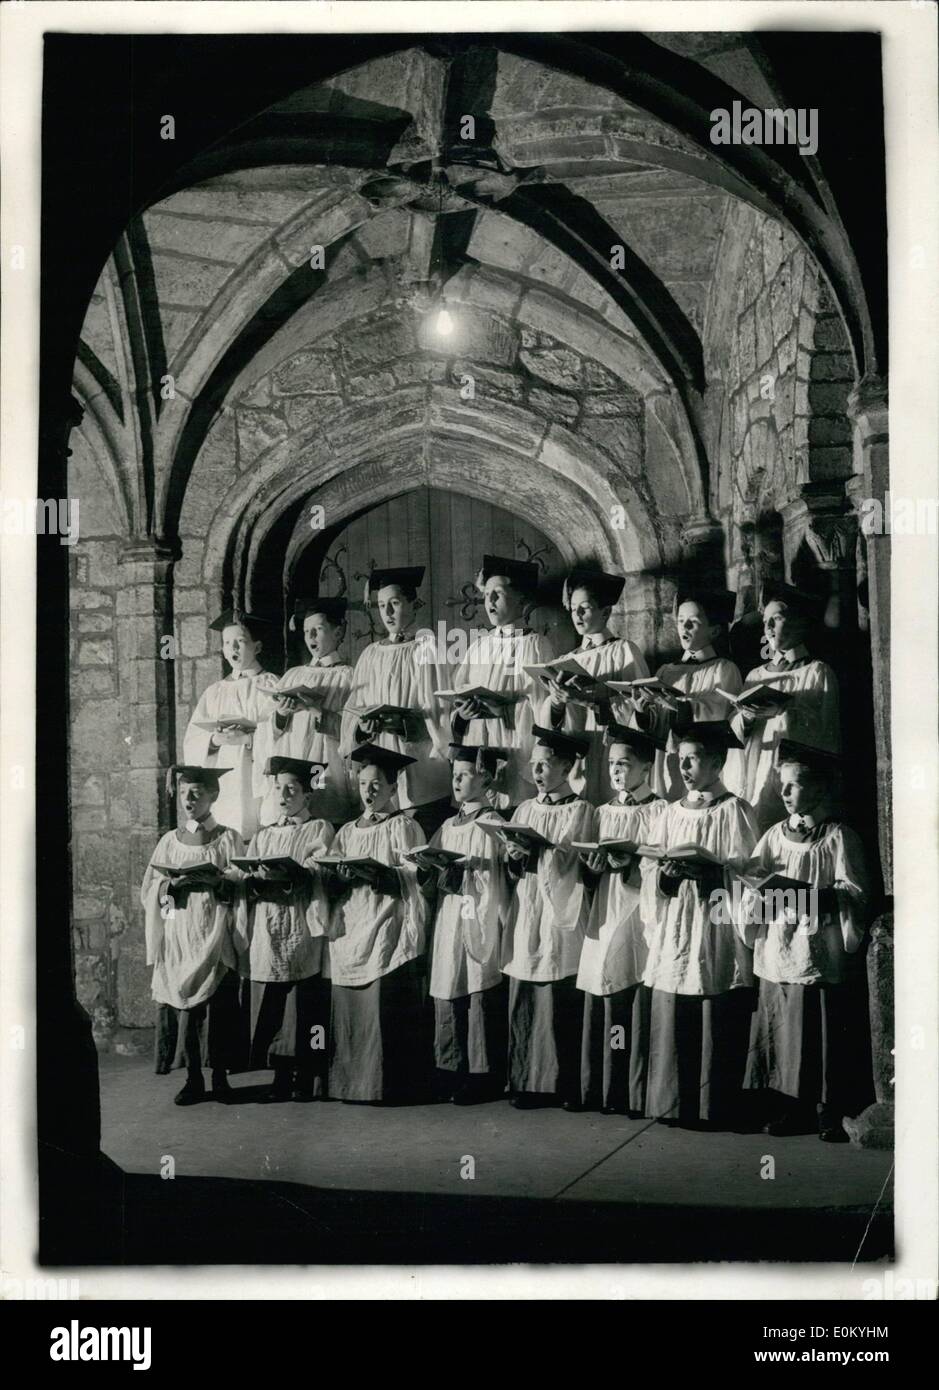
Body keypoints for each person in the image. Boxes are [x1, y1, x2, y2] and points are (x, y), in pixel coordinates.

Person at [737, 740, 869, 1142]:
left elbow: (857, 891)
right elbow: (752, 883)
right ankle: (790, 1106)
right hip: (781, 942)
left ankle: (827, 1108)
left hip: (817, 942)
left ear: (819, 789)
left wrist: (822, 895)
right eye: (783, 786)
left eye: (794, 786)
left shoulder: (838, 836)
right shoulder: (775, 835)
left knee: (820, 1030)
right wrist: (757, 893)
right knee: (784, 1028)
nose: (785, 794)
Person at [640, 722, 759, 1129]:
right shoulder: (671, 812)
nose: (683, 767)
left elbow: (748, 872)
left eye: (692, 759)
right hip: (678, 918)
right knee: (676, 997)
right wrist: (667, 874)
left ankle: (713, 1106)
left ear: (717, 761)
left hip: (715, 919)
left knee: (713, 993)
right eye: (679, 760)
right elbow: (650, 866)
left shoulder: (734, 809)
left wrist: (714, 875)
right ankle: (674, 1104)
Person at [309, 744, 432, 1104]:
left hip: (385, 919)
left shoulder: (404, 826)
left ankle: (383, 1086)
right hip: (352, 921)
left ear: (394, 788)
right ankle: (348, 1085)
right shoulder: (346, 831)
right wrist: (341, 876)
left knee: (383, 1011)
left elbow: (415, 875)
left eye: (377, 784)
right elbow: (327, 878)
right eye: (364, 784)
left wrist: (381, 876)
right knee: (349, 1015)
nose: (370, 791)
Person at [500, 726, 596, 1109]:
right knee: (524, 989)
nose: (537, 771)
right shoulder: (525, 809)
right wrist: (515, 853)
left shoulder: (582, 810)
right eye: (534, 764)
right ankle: (526, 1080)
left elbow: (582, 865)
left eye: (546, 764)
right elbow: (512, 867)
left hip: (562, 909)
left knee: (561, 996)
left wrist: (547, 854)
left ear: (568, 766)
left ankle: (564, 1083)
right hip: (529, 906)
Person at [233, 756, 335, 1103]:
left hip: (300, 921)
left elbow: (320, 872)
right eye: (278, 787)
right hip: (268, 922)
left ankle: (306, 1074)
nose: (284, 793)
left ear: (308, 794)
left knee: (304, 1003)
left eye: (292, 787)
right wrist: (254, 880)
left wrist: (296, 875)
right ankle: (279, 1073)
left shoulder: (318, 829)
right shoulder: (265, 834)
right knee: (273, 1003)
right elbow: (247, 878)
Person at [140, 766, 243, 1106]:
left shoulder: (228, 838)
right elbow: (150, 892)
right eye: (184, 793)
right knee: (186, 1010)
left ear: (213, 795)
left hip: (214, 930)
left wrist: (220, 883)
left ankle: (220, 1076)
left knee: (219, 1007)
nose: (189, 799)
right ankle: (192, 1076)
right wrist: (171, 885)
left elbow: (242, 884)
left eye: (197, 792)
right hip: (180, 932)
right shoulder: (170, 841)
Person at [575, 725, 665, 1115]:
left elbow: (662, 865)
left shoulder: (659, 810)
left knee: (628, 996)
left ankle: (630, 1091)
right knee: (604, 994)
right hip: (605, 909)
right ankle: (602, 1089)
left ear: (646, 768)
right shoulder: (602, 811)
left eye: (624, 764)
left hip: (637, 912)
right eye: (611, 764)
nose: (616, 771)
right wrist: (594, 867)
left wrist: (632, 864)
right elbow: (588, 870)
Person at [425, 745, 511, 1105]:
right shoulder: (447, 826)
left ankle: (482, 1073)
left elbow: (504, 876)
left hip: (480, 912)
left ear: (486, 777)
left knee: (477, 985)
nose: (456, 780)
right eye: (454, 774)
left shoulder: (495, 824)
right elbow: (430, 874)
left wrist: (471, 874)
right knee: (449, 982)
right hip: (451, 913)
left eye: (465, 774)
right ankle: (450, 1067)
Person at [340, 567, 452, 838]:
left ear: (415, 604)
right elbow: (353, 709)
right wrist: (362, 728)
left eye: (395, 603)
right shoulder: (370, 655)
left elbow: (442, 712)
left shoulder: (428, 648)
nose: (387, 613)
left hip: (419, 764)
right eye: (381, 605)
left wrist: (407, 724)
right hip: (379, 767)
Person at [730, 583, 840, 832]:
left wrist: (783, 712)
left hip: (798, 780)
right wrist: (745, 719)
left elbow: (828, 733)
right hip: (760, 770)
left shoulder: (817, 672)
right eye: (766, 620)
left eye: (777, 619)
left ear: (800, 623)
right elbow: (734, 732)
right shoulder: (756, 675)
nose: (768, 627)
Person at [449, 554, 553, 809]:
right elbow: (458, 697)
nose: (490, 601)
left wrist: (506, 710)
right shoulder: (479, 646)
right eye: (486, 595)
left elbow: (543, 708)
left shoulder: (535, 644)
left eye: (498, 593)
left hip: (514, 748)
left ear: (520, 599)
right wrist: (462, 714)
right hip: (479, 748)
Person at [541, 568, 647, 804]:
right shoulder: (563, 661)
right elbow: (551, 724)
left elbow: (638, 705)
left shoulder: (623, 651)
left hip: (609, 747)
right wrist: (557, 703)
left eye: (585, 608)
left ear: (605, 611)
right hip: (578, 751)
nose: (576, 614)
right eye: (573, 608)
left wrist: (592, 698)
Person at [630, 588, 744, 801]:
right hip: (668, 759)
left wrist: (681, 706)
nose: (685, 626)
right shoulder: (666, 671)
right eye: (681, 621)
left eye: (694, 621)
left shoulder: (724, 669)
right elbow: (654, 727)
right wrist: (642, 713)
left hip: (702, 763)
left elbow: (720, 713)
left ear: (714, 631)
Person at [254, 597, 356, 829]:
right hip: (293, 759)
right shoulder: (293, 675)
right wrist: (281, 714)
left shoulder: (349, 677)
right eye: (306, 631)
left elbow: (353, 729)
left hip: (326, 765)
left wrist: (316, 710)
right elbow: (270, 729)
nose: (310, 637)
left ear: (338, 632)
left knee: (322, 819)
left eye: (318, 630)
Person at [182, 608, 280, 840]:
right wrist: (214, 741)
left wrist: (249, 739)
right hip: (224, 774)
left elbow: (284, 733)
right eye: (227, 643)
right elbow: (193, 739)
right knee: (224, 835)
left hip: (254, 771)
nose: (233, 648)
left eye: (240, 641)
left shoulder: (272, 685)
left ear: (257, 647)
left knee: (254, 829)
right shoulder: (215, 692)